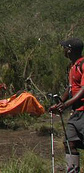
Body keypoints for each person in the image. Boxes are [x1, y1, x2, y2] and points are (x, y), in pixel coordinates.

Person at [49, 38, 84, 173]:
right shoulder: (72, 66)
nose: (63, 50)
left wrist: (67, 104)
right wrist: (59, 104)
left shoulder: (83, 64)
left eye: (64, 48)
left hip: (83, 112)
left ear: (70, 50)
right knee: (69, 143)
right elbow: (70, 89)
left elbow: (83, 89)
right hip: (76, 113)